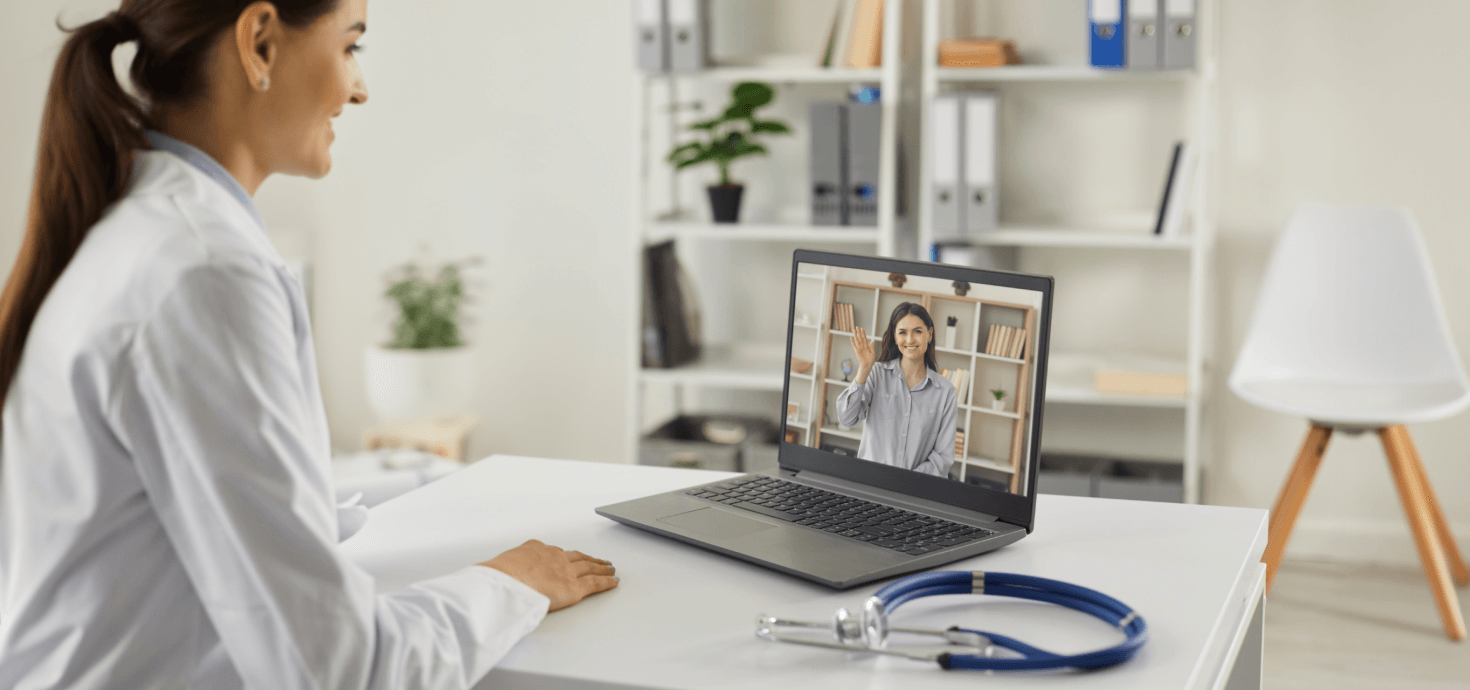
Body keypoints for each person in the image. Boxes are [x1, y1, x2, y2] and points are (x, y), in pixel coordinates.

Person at [0, 2, 616, 688]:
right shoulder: (201, 268)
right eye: (350, 46)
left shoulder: (152, 230)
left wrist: (409, 491)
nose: (359, 88)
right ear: (260, 42)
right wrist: (510, 585)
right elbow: (337, 669)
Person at [835, 302, 957, 478]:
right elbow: (847, 419)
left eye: (917, 331)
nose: (909, 340)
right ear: (894, 336)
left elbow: (943, 458)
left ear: (929, 334)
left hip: (913, 492)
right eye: (902, 332)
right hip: (869, 483)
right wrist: (863, 369)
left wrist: (906, 482)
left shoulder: (946, 392)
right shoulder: (876, 373)